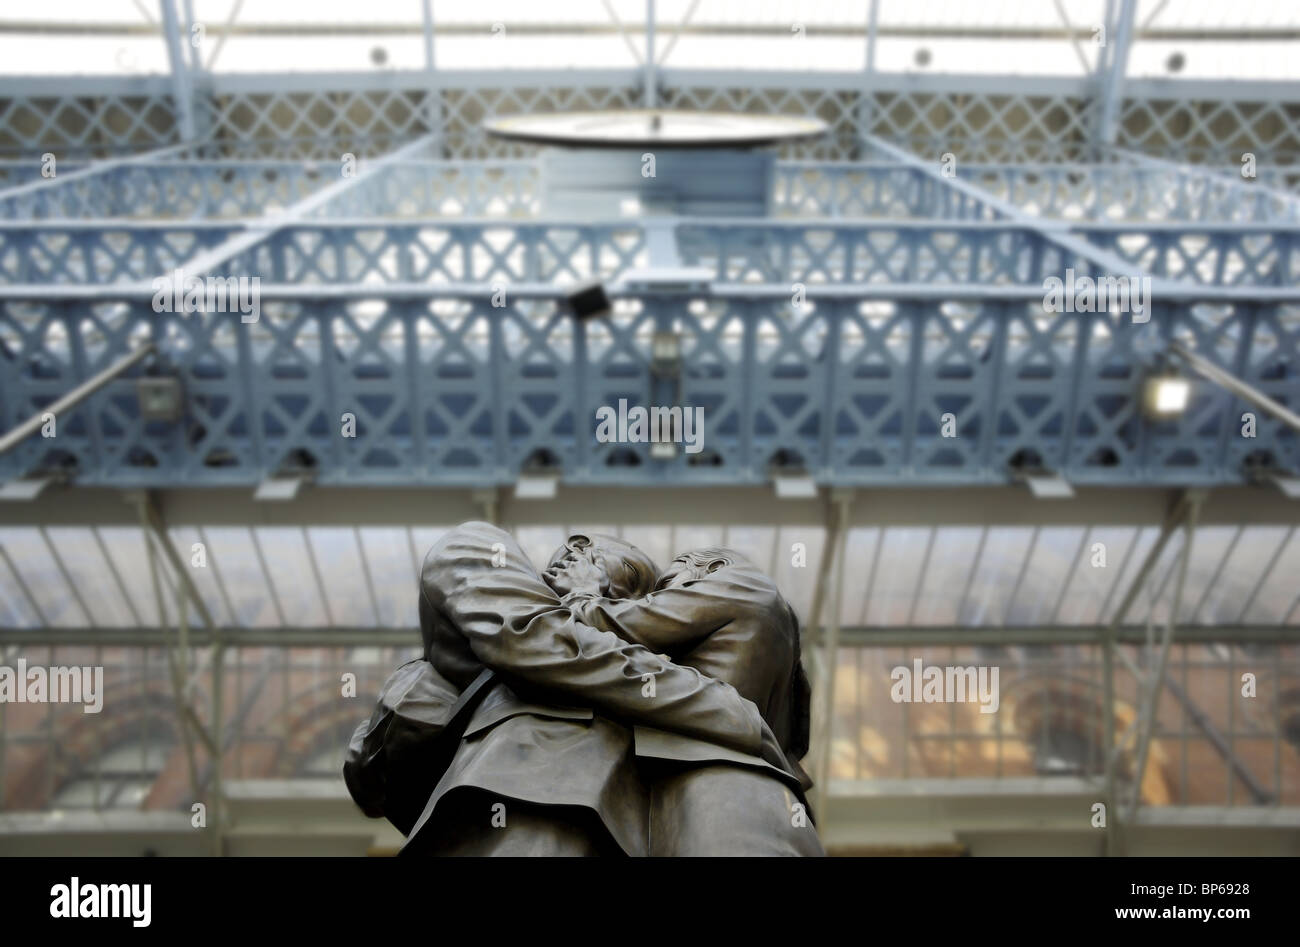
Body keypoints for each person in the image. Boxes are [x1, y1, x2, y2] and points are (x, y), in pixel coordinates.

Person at [396, 522, 789, 856]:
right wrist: (726, 707)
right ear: (579, 549)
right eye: (635, 579)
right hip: (521, 798)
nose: (638, 606)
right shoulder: (481, 547)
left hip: (616, 817)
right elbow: (537, 640)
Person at [562, 546, 823, 856]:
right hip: (775, 791)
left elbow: (611, 624)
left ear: (714, 566)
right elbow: (798, 738)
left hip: (712, 778)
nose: (659, 599)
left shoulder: (736, 584)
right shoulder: (787, 636)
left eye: (668, 584)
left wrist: (582, 591)